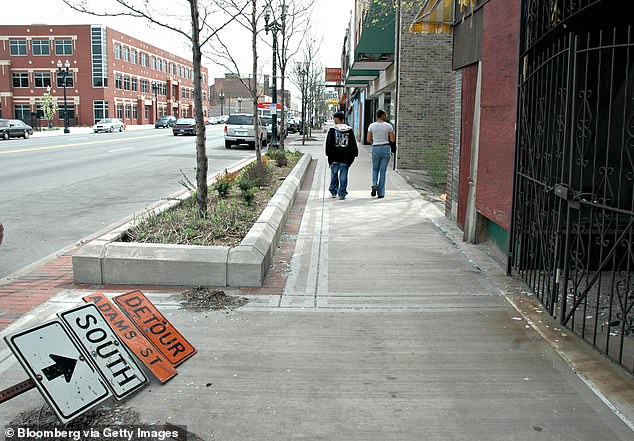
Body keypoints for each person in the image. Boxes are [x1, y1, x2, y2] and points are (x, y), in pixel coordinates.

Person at [325, 111, 359, 200]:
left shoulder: (332, 130)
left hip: (334, 156)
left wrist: (328, 154)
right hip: (345, 157)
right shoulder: (349, 130)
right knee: (343, 175)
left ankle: (333, 191)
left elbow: (328, 144)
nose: (333, 120)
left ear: (337, 118)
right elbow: (352, 144)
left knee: (334, 174)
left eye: (334, 118)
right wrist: (354, 155)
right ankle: (342, 193)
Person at [367, 109, 395, 198]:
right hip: (386, 148)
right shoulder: (389, 126)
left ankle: (374, 184)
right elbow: (392, 140)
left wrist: (375, 140)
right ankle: (381, 193)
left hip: (376, 147)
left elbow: (368, 140)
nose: (386, 116)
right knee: (383, 171)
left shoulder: (372, 126)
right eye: (385, 114)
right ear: (382, 115)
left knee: (375, 169)